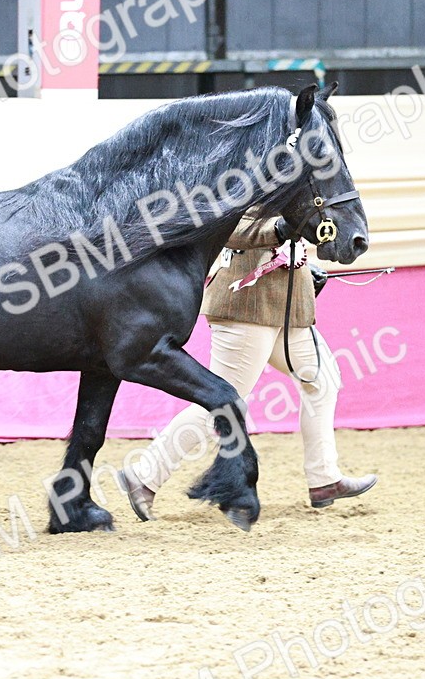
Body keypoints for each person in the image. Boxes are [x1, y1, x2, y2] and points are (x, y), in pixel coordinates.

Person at [118, 210, 377, 522]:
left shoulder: (297, 182)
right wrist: (280, 229)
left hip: (289, 310)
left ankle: (324, 479)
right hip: (246, 307)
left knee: (322, 381)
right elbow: (230, 228)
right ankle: (144, 475)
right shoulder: (244, 175)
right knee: (220, 401)